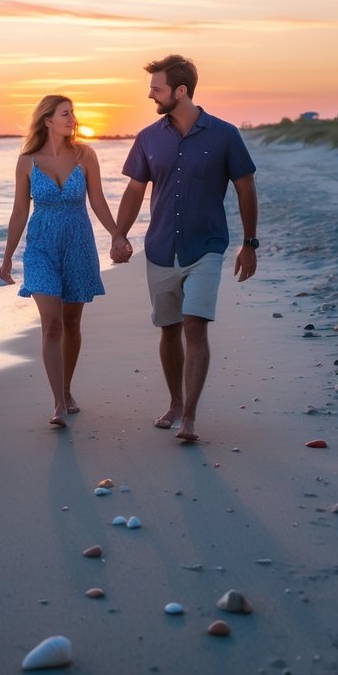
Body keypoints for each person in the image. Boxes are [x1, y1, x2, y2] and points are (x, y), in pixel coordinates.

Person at [111, 54, 258, 443]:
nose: (150, 96)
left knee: (195, 325)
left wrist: (249, 243)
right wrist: (119, 235)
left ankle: (189, 417)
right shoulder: (148, 138)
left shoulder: (224, 135)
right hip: (160, 248)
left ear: (180, 90)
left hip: (206, 246)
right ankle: (175, 402)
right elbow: (134, 189)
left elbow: (245, 186)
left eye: (156, 89)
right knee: (169, 329)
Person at [0, 95, 121, 428]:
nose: (73, 119)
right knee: (51, 324)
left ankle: (67, 389)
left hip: (78, 246)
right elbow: (20, 211)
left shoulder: (85, 155)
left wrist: (116, 234)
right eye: (65, 114)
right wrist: (7, 256)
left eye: (73, 113)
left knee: (72, 322)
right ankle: (58, 404)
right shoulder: (27, 161)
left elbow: (97, 200)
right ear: (47, 120)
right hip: (40, 248)